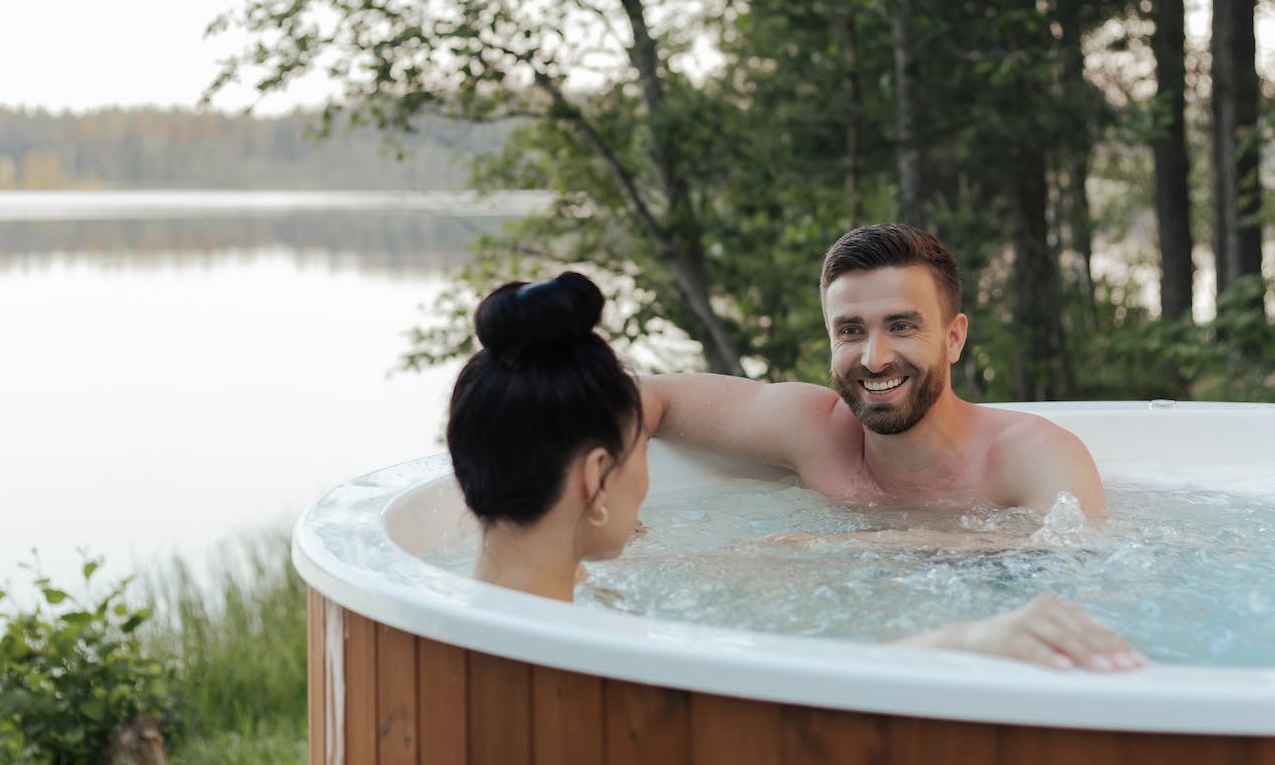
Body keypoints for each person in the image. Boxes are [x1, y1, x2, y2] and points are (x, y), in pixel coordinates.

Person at [446, 270, 1145, 671]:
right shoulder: (585, 666)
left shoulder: (461, 620)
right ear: (593, 480)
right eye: (637, 463)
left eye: (902, 325)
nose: (874, 355)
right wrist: (955, 640)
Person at [641, 223, 1106, 515]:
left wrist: (838, 553)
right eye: (850, 331)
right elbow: (646, 397)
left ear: (954, 338)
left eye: (901, 326)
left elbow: (1069, 561)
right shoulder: (813, 432)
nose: (874, 358)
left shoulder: (1032, 454)